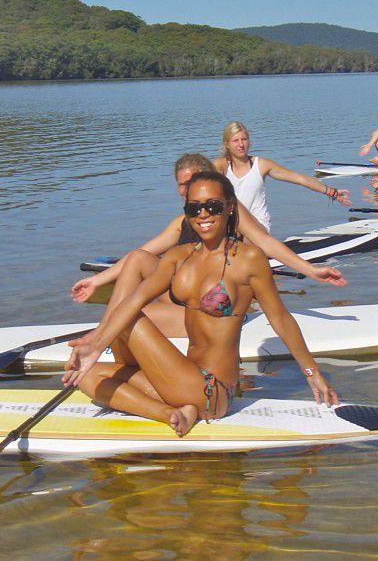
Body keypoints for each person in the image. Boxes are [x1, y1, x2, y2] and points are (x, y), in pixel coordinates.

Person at [62, 172, 338, 436]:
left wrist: (312, 372)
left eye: (212, 206)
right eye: (194, 208)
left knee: (129, 317)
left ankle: (188, 407)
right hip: (182, 379)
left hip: (212, 389)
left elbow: (280, 319)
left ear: (230, 207)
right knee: (85, 377)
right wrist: (93, 343)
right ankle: (171, 413)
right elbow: (136, 296)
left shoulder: (248, 259)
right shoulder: (179, 257)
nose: (203, 214)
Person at [72, 153, 347, 338]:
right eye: (182, 185)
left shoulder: (229, 212)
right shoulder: (184, 221)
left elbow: (266, 243)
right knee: (138, 258)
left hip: (214, 312)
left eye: (191, 182)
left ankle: (107, 334)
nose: (186, 189)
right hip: (184, 302)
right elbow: (143, 252)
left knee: (131, 314)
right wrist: (97, 282)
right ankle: (105, 332)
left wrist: (311, 271)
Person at [214, 121, 351, 232]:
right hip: (232, 225)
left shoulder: (261, 165)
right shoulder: (221, 165)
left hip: (258, 227)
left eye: (244, 139)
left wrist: (331, 192)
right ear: (227, 144)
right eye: (235, 141)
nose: (241, 145)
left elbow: (300, 179)